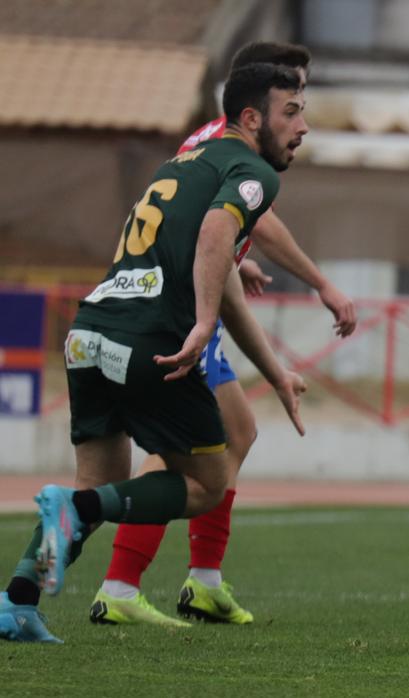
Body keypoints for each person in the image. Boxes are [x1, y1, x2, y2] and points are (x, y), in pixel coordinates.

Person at [0, 62, 310, 644]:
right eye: (291, 111)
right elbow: (219, 235)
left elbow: (222, 269)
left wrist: (274, 372)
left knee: (98, 485)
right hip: (145, 341)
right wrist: (203, 322)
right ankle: (84, 520)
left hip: (89, 332)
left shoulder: (187, 161)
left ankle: (18, 599)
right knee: (207, 483)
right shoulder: (251, 173)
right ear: (251, 118)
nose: (303, 126)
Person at [86, 42, 355, 629]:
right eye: (291, 101)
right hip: (177, 311)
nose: (301, 118)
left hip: (186, 300)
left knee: (237, 431)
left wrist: (237, 256)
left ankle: (199, 581)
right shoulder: (226, 145)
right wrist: (321, 283)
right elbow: (242, 219)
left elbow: (217, 224)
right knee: (177, 448)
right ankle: (120, 584)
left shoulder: (209, 141)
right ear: (253, 102)